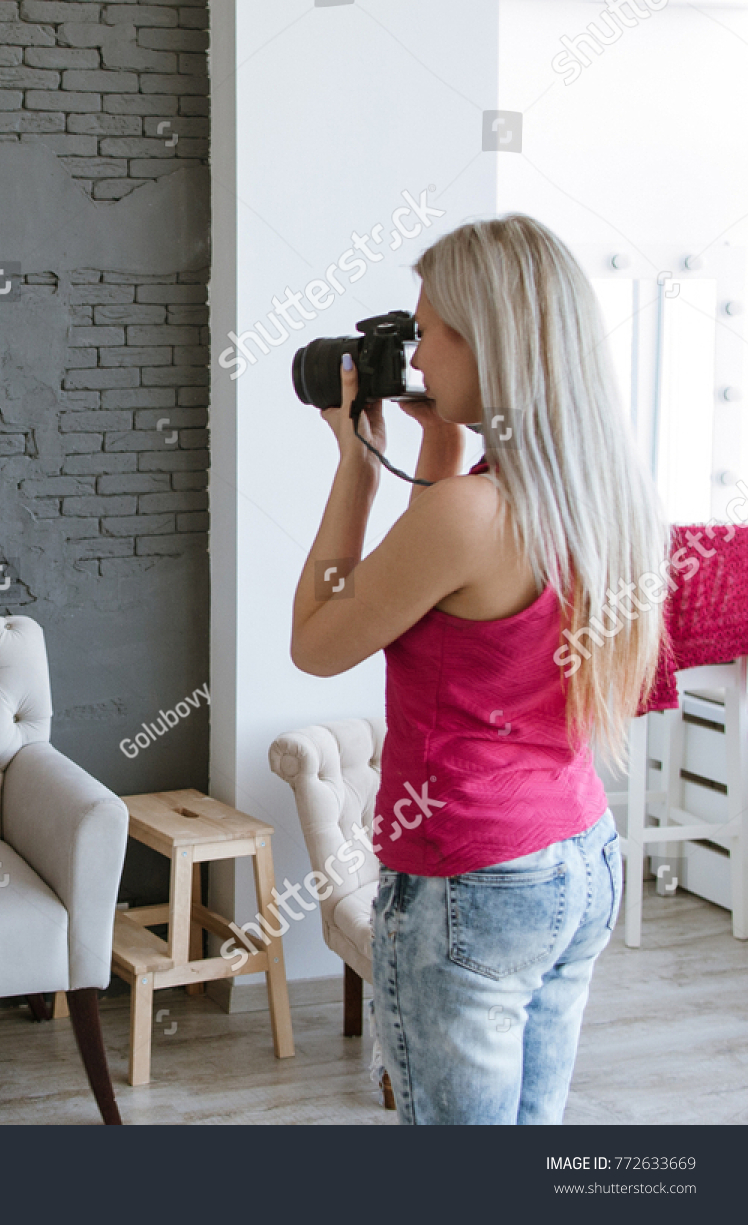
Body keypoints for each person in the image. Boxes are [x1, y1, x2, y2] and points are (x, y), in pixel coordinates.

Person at [290, 214, 665, 1124]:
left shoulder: (468, 513)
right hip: (578, 854)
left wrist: (358, 469)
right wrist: (438, 450)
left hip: (474, 874)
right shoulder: (604, 494)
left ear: (488, 342)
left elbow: (316, 639)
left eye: (427, 333)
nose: (415, 359)